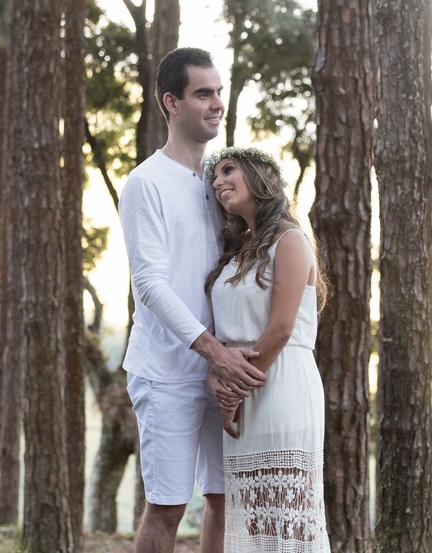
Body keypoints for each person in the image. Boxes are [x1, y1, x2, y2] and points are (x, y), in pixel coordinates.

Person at [120, 48, 268, 553]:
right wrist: (212, 350)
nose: (216, 103)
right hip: (166, 370)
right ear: (171, 102)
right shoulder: (145, 183)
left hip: (220, 369)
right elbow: (150, 283)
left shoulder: (219, 184)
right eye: (202, 93)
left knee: (226, 500)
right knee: (166, 507)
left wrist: (230, 356)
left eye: (218, 92)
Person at [205, 145, 330, 553]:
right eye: (214, 177)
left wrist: (234, 394)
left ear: (260, 178)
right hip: (241, 384)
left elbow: (279, 328)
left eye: (229, 171)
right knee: (253, 519)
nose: (219, 181)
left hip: (280, 385)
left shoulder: (290, 241)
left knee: (283, 518)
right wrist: (219, 376)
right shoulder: (236, 253)